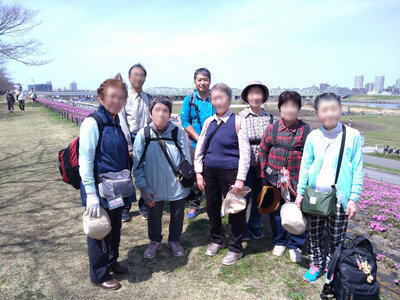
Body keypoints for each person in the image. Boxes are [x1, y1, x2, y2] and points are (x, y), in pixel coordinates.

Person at [295, 93, 363, 283]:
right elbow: (305, 166)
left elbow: (357, 168)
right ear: (317, 113)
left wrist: (353, 199)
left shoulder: (352, 136)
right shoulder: (313, 136)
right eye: (324, 110)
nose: (330, 114)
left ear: (340, 109)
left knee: (336, 238)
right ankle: (316, 265)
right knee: (314, 234)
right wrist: (300, 193)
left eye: (334, 108)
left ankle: (332, 268)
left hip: (340, 199)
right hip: (315, 196)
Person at [78, 74, 131, 290]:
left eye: (121, 97)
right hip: (99, 190)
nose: (117, 101)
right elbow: (85, 161)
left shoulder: (116, 122)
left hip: (116, 188)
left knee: (115, 227)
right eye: (112, 96)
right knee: (99, 231)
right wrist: (90, 194)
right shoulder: (93, 123)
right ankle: (99, 275)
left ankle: (111, 261)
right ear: (101, 98)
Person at [194, 83, 250, 266]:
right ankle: (216, 239)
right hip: (209, 171)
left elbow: (245, 152)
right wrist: (198, 173)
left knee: (235, 210)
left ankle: (235, 248)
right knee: (211, 206)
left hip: (231, 172)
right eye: (214, 98)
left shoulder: (238, 121)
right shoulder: (209, 122)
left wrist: (240, 178)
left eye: (220, 97)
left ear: (229, 99)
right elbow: (200, 149)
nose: (217, 101)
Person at [133, 96, 191, 259]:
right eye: (157, 110)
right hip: (153, 185)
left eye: (165, 110)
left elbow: (187, 160)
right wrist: (143, 187)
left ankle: (174, 241)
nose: (161, 114)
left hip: (177, 185)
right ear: (151, 113)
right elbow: (137, 165)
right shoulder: (143, 134)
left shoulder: (177, 133)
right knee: (154, 216)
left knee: (178, 215)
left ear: (170, 114)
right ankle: (155, 241)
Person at [258, 91, 311, 263]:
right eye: (285, 106)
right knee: (276, 211)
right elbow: (262, 151)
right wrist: (263, 173)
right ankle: (279, 241)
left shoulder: (305, 130)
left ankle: (296, 244)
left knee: (298, 211)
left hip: (296, 180)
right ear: (280, 108)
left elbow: (311, 157)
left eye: (293, 106)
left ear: (298, 109)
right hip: (274, 179)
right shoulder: (272, 129)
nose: (289, 109)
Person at [238, 80, 274, 241]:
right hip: (246, 162)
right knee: (244, 196)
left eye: (258, 93)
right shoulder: (240, 117)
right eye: (252, 93)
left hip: (264, 163)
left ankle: (254, 225)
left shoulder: (269, 117)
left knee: (260, 196)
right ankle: (242, 227)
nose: (255, 97)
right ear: (247, 97)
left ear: (263, 96)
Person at [118, 63, 152, 222]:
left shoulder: (148, 97)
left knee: (145, 175)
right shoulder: (123, 97)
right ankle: (125, 208)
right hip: (129, 139)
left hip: (144, 139)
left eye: (142, 75)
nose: (139, 78)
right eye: (136, 75)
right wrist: (129, 146)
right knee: (126, 175)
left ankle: (144, 205)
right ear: (130, 77)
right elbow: (122, 122)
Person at [180, 68, 215, 219]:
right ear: (194, 81)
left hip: (214, 144)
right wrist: (198, 137)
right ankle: (194, 204)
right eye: (199, 79)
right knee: (195, 175)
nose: (202, 82)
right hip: (195, 144)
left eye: (205, 79)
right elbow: (184, 121)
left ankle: (214, 203)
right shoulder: (190, 99)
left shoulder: (215, 97)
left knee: (213, 173)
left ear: (210, 81)